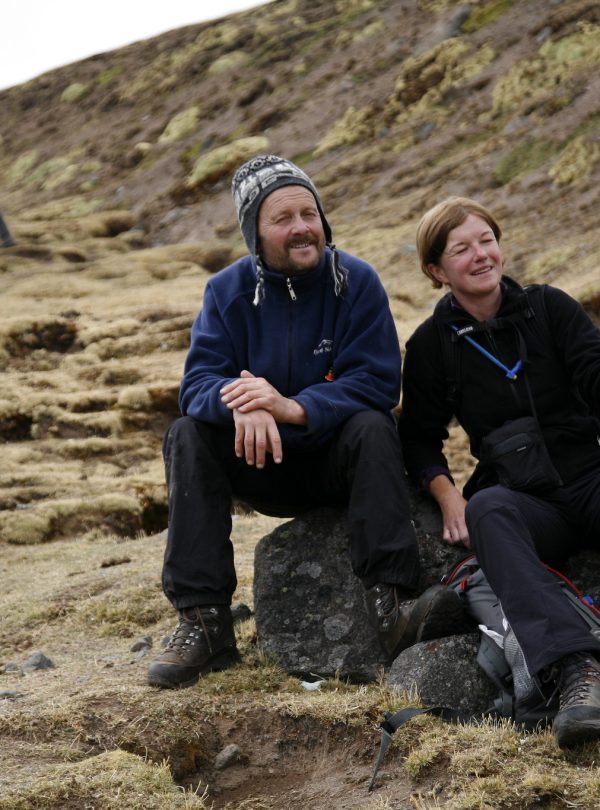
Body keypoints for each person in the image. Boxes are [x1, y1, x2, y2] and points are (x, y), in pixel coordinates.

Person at [148, 155, 462, 689]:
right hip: (259, 463)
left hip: (336, 465)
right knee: (188, 434)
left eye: (308, 213)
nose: (301, 228)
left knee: (372, 424)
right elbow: (196, 384)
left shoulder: (355, 281)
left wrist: (294, 407)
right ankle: (204, 620)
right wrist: (244, 402)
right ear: (255, 231)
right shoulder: (225, 291)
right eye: (282, 218)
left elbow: (378, 381)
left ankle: (391, 607)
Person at [398, 196, 600, 748]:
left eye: (486, 239)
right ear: (437, 271)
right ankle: (579, 672)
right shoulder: (432, 345)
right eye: (461, 249)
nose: (480, 255)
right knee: (487, 510)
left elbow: (593, 372)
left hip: (590, 476)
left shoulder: (550, 308)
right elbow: (417, 437)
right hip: (529, 502)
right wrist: (446, 496)